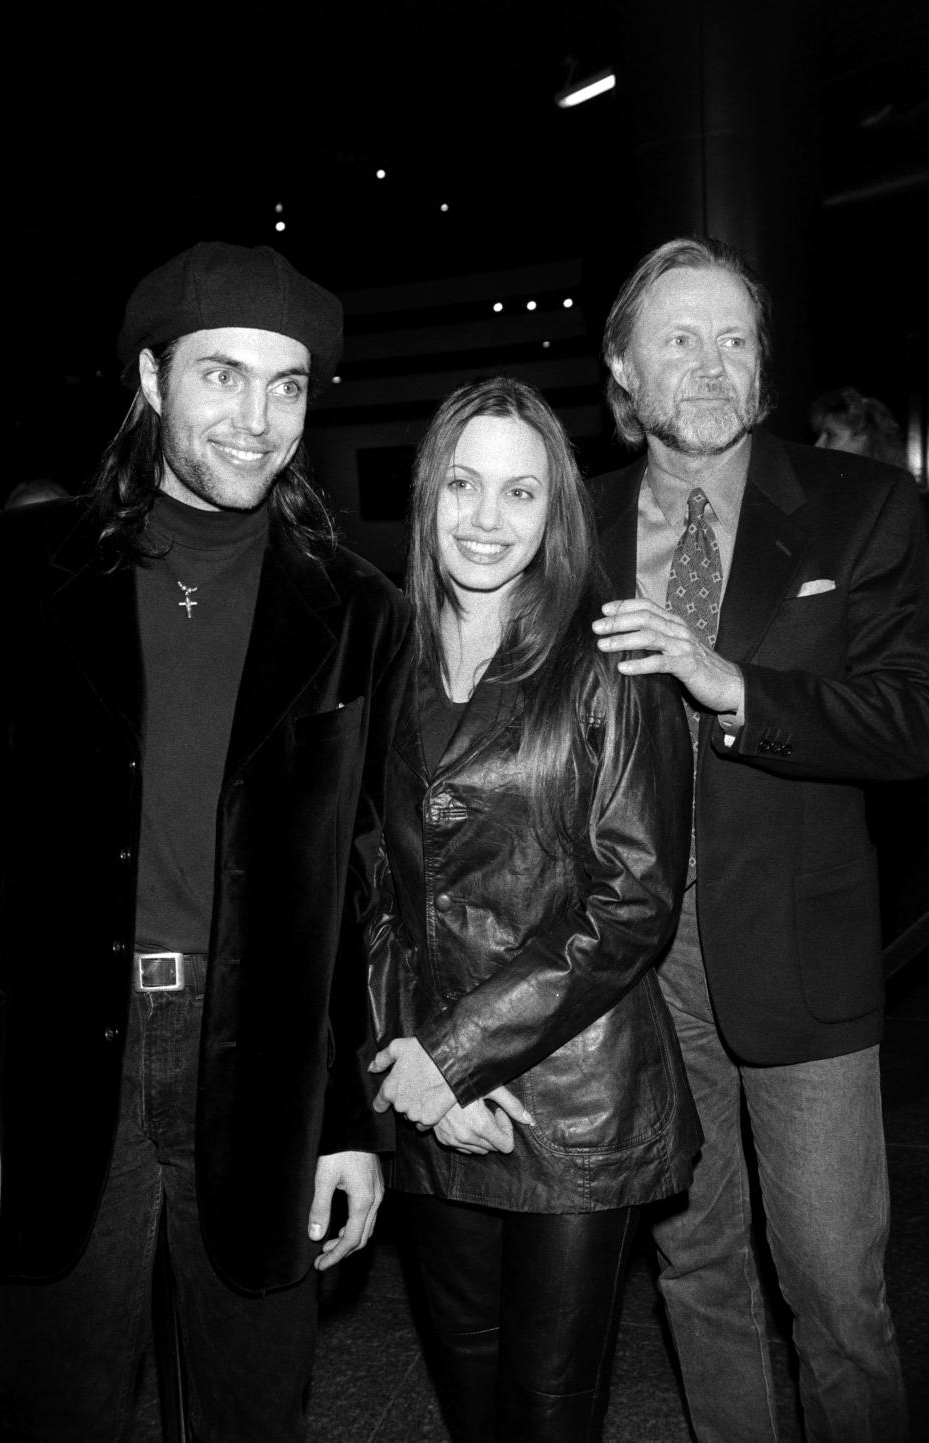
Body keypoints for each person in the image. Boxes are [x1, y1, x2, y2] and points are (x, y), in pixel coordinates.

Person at [0, 240, 411, 1441]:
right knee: (54, 1407)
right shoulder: (13, 575)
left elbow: (360, 892)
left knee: (253, 1412)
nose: (258, 419)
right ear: (154, 382)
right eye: (223, 376)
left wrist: (346, 1124)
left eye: (289, 386)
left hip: (264, 1069)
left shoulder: (358, 611)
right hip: (66, 1065)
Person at [592, 235, 929, 1443]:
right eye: (678, 338)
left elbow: (910, 717)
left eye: (735, 339)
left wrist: (734, 686)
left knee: (837, 1295)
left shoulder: (863, 506)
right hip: (637, 962)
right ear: (624, 369)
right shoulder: (572, 524)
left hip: (802, 948)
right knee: (697, 1271)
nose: (711, 363)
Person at [366, 376, 702, 1442]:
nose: (485, 518)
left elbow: (633, 903)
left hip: (571, 1098)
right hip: (423, 1087)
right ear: (428, 498)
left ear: (555, 511)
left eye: (520, 493)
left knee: (549, 1406)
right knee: (469, 1392)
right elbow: (366, 886)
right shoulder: (385, 659)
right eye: (462, 484)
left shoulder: (611, 663)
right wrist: (411, 1061)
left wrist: (460, 1055)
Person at [810, 385, 910, 469]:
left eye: (830, 435)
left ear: (864, 438)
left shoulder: (887, 489)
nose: (817, 445)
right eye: (819, 435)